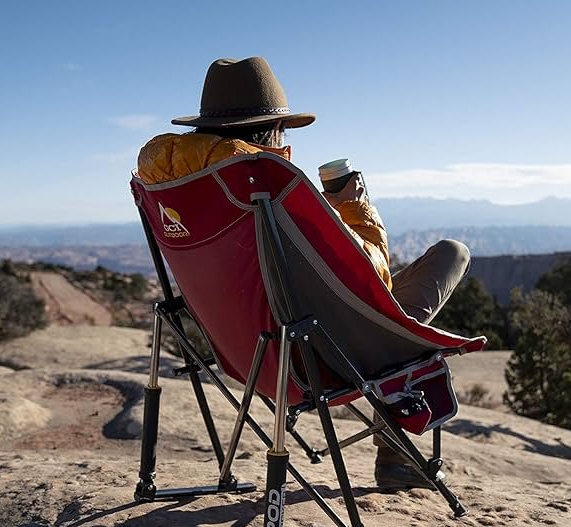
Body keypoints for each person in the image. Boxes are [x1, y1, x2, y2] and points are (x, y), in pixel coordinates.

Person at [136, 56, 470, 489]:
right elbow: (369, 277)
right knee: (451, 253)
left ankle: (395, 452)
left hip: (247, 358)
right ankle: (395, 453)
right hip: (316, 357)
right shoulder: (263, 183)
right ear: (271, 128)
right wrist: (353, 207)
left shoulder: (168, 183)